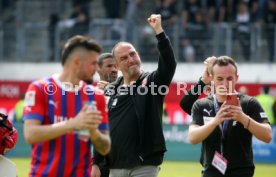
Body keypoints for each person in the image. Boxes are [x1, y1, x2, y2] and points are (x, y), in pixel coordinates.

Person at [96, 14, 176, 177]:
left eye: (133, 54)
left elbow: (169, 64)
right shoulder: (111, 90)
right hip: (115, 165)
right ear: (117, 65)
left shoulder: (152, 82)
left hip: (143, 164)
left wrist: (159, 32)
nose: (131, 59)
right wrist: (96, 162)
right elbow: (101, 127)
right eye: (124, 58)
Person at [23, 35, 111, 177]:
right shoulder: (40, 88)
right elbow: (30, 134)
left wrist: (93, 132)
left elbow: (105, 147)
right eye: (93, 63)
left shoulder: (96, 96)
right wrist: (72, 124)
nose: (97, 69)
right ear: (76, 62)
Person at [184, 56, 272, 177]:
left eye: (230, 78)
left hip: (242, 172)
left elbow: (268, 136)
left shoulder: (249, 103)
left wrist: (243, 118)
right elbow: (192, 138)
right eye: (219, 79)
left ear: (237, 78)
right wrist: (215, 121)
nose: (225, 84)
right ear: (212, 80)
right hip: (211, 172)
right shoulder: (202, 104)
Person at [92, 53, 118, 177]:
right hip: (98, 159)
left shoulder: (128, 89)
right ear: (98, 69)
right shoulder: (89, 92)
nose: (114, 69)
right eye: (109, 66)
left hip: (121, 158)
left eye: (115, 66)